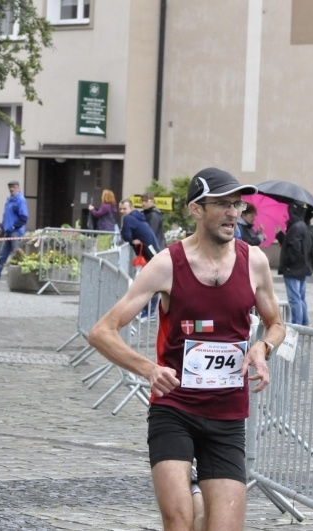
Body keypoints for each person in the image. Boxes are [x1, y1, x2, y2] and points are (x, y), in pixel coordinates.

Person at [88, 167, 285, 531]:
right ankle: (191, 500)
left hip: (227, 415)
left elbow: (276, 323)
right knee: (178, 523)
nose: (233, 213)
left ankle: (197, 498)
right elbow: (102, 331)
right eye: (222, 204)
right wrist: (148, 369)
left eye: (237, 205)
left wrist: (263, 347)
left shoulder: (254, 261)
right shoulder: (167, 265)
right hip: (175, 409)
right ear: (196, 209)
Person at [119, 198, 161, 320]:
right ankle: (148, 310)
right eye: (120, 209)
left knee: (151, 281)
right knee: (149, 281)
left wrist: (131, 240)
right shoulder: (138, 216)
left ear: (131, 208)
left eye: (124, 208)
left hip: (148, 252)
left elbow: (126, 235)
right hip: (152, 250)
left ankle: (150, 312)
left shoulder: (128, 218)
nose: (122, 211)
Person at [275, 202, 313, 325]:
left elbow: (294, 249)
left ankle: (297, 325)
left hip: (293, 269)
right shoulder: (303, 227)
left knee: (294, 299)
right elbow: (294, 245)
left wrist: (287, 264)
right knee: (300, 298)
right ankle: (304, 323)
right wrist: (281, 236)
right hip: (301, 268)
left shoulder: (296, 228)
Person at [0, 180, 29, 280]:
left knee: (16, 254)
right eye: (10, 187)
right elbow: (6, 216)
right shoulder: (9, 200)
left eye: (13, 187)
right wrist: (2, 227)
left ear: (18, 188)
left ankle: (19, 277)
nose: (11, 189)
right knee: (2, 254)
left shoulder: (20, 200)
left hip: (16, 232)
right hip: (8, 231)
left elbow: (24, 217)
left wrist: (14, 227)